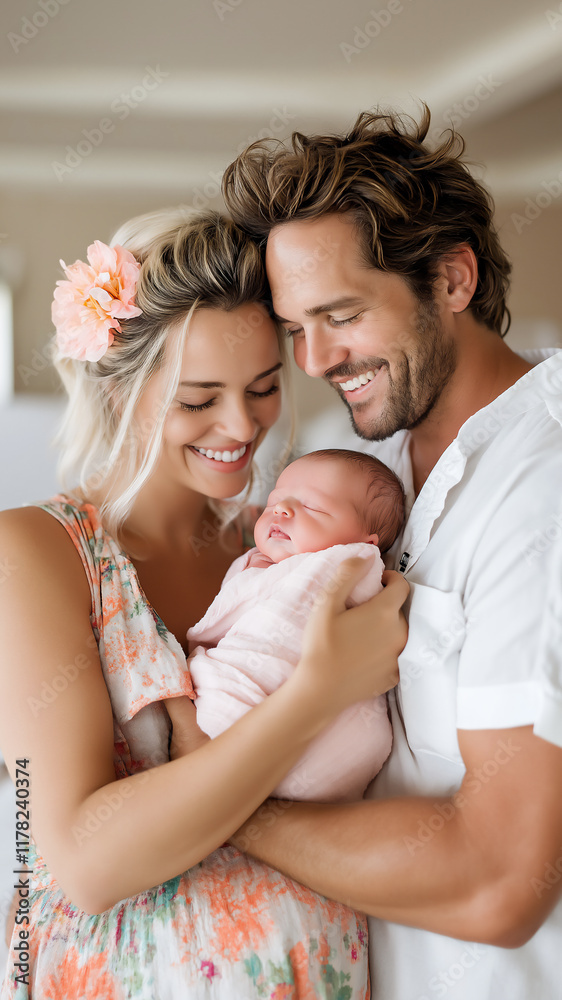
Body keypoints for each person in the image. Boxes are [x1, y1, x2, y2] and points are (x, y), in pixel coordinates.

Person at [0, 209, 408, 999]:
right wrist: (314, 696)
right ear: (119, 391)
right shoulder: (35, 556)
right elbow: (85, 863)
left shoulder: (289, 552)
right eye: (198, 400)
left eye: (262, 388)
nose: (240, 426)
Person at [222, 106, 562, 999]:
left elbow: (501, 883)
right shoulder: (359, 467)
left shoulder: (545, 484)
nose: (316, 358)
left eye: (341, 315)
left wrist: (220, 804)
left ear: (452, 278)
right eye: (296, 326)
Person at [165, 447, 405, 805]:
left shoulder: (347, 567)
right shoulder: (256, 559)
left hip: (296, 726)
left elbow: (283, 631)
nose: (281, 510)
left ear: (364, 543)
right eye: (274, 502)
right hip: (265, 739)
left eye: (312, 507)